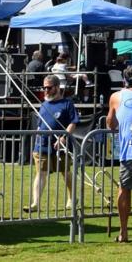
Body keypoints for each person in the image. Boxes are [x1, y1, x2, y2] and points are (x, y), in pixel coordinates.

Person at [105, 65, 132, 243]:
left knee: (124, 190)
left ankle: (123, 232)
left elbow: (111, 123)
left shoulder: (116, 97)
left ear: (124, 80)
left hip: (129, 151)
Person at [27, 75, 78, 212]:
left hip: (61, 145)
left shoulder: (67, 104)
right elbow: (40, 125)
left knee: (65, 172)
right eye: (44, 88)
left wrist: (63, 138)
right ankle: (35, 203)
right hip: (42, 144)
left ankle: (71, 198)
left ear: (57, 87)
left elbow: (73, 123)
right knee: (41, 173)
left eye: (48, 88)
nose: (45, 90)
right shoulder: (44, 104)